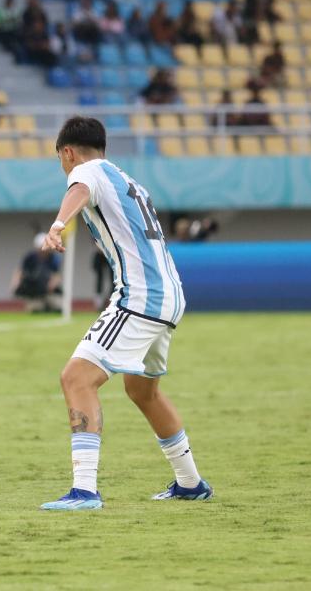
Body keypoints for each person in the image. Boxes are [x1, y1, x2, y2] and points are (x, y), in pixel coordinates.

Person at [38, 116, 211, 511]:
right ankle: (190, 482)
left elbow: (79, 187)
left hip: (141, 296)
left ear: (67, 153)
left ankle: (84, 491)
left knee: (76, 378)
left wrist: (58, 224)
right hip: (170, 293)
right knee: (142, 389)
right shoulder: (126, 179)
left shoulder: (87, 171)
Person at [11, 233, 62, 312]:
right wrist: (15, 284)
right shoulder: (30, 257)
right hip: (34, 291)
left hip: (49, 291)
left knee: (58, 307)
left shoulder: (53, 258)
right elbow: (20, 271)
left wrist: (51, 286)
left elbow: (56, 275)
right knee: (36, 308)